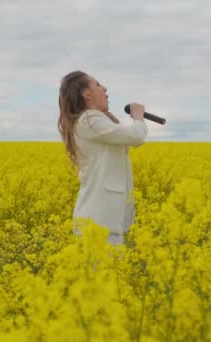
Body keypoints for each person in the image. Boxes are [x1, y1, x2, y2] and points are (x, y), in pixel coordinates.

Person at [57, 70, 148, 245]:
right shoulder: (89, 119)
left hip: (104, 222)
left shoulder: (94, 122)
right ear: (87, 94)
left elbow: (124, 137)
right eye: (98, 85)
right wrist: (138, 117)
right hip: (99, 223)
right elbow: (136, 136)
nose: (105, 89)